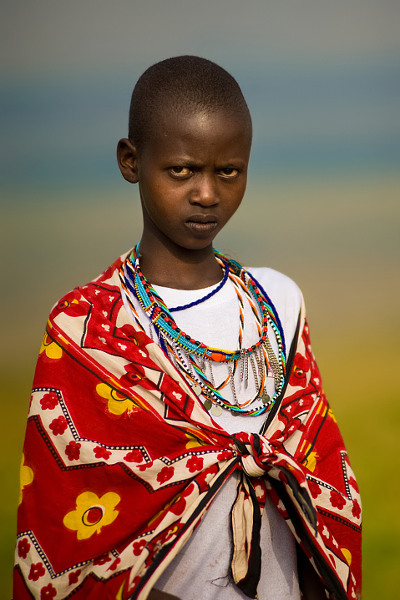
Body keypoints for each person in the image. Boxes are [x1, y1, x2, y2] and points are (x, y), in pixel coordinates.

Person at [14, 56, 361, 600]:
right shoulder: (88, 327)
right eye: (182, 170)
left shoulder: (279, 302)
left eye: (229, 171)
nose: (206, 194)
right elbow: (67, 536)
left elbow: (316, 490)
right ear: (131, 161)